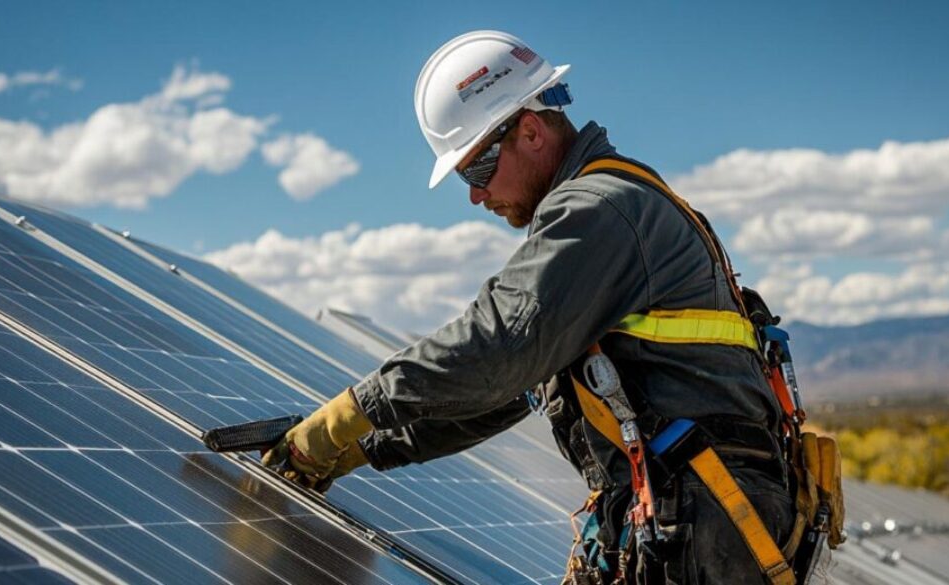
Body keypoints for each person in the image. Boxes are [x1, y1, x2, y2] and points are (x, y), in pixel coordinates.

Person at [263, 30, 798, 584]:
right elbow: (506, 392)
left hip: (706, 527)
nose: (474, 195)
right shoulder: (613, 207)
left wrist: (351, 412)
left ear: (531, 131)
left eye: (475, 170)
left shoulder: (599, 208)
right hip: (698, 518)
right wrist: (364, 448)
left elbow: (500, 346)